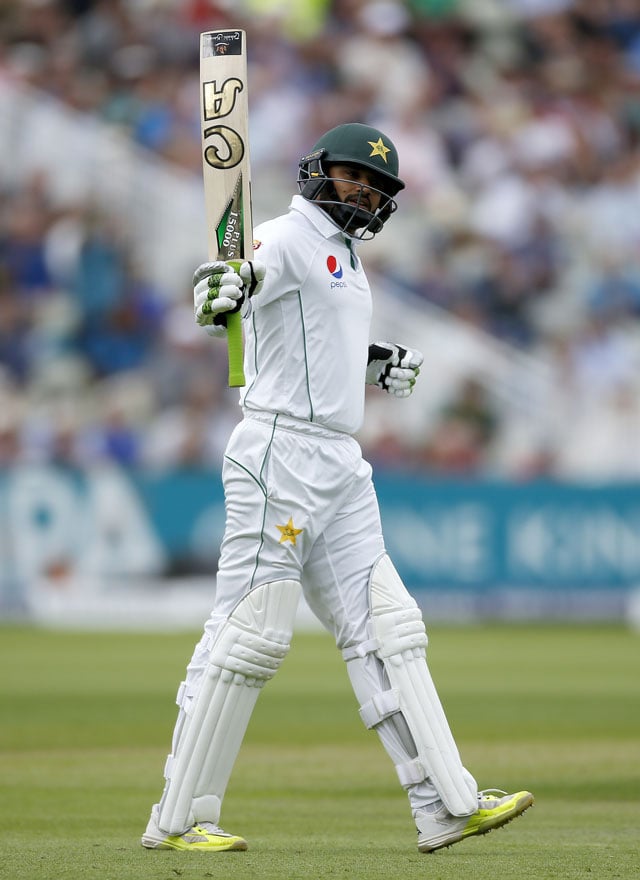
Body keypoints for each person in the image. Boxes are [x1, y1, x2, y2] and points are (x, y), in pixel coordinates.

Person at [141, 123, 534, 854]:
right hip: (279, 454)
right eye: (358, 179)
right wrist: (217, 289)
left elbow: (312, 342)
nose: (369, 195)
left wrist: (374, 360)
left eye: (380, 188)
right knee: (251, 634)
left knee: (390, 628)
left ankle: (445, 804)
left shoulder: (349, 259)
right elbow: (230, 286)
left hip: (341, 466)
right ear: (321, 172)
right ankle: (178, 819)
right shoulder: (284, 236)